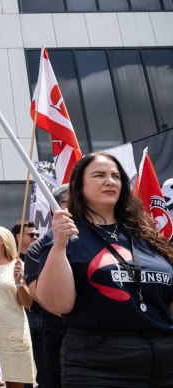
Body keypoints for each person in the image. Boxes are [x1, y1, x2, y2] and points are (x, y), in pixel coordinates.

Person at [37, 152, 173, 387]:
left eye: (116, 176)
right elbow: (57, 305)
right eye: (99, 175)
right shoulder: (65, 235)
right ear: (78, 187)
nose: (110, 181)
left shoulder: (147, 235)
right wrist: (59, 246)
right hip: (99, 365)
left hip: (164, 361)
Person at [23, 183, 68, 388]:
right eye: (71, 202)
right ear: (55, 207)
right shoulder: (39, 247)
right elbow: (36, 294)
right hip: (60, 336)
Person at [0, 225, 35, 388]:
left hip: (13, 331)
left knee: (15, 381)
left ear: (2, 241)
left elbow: (27, 303)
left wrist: (19, 282)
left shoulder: (18, 266)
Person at [11, 220, 44, 388]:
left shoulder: (41, 255)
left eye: (37, 234)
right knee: (24, 362)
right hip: (24, 314)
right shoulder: (11, 260)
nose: (36, 237)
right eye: (31, 234)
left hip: (43, 312)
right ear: (19, 237)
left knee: (45, 362)